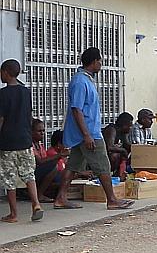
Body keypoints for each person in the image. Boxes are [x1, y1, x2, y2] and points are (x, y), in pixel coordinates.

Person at [53, 47, 134, 210]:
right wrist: (87, 135)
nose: (101, 65)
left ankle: (61, 198)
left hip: (83, 133)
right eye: (100, 61)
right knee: (103, 165)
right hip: (87, 133)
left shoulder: (86, 79)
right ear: (94, 61)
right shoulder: (80, 81)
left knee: (73, 165)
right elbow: (77, 109)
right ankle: (111, 199)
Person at [0, 59, 44, 223]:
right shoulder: (26, 92)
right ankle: (36, 204)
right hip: (25, 141)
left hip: (8, 143)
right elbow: (28, 116)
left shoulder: (3, 94)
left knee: (9, 178)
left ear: (5, 72)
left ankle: (13, 214)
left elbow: (1, 119)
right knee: (28, 175)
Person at [32, 119, 69, 203]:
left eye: (43, 131)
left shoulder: (40, 145)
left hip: (39, 173)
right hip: (32, 173)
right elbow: (40, 162)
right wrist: (60, 155)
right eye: (39, 131)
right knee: (55, 168)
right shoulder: (31, 145)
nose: (42, 133)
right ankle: (39, 194)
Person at [103, 112, 134, 179]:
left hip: (115, 154)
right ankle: (112, 174)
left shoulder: (123, 132)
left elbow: (127, 145)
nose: (131, 128)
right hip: (104, 155)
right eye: (129, 126)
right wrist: (123, 150)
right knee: (115, 155)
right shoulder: (112, 129)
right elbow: (110, 147)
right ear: (124, 125)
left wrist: (138, 148)